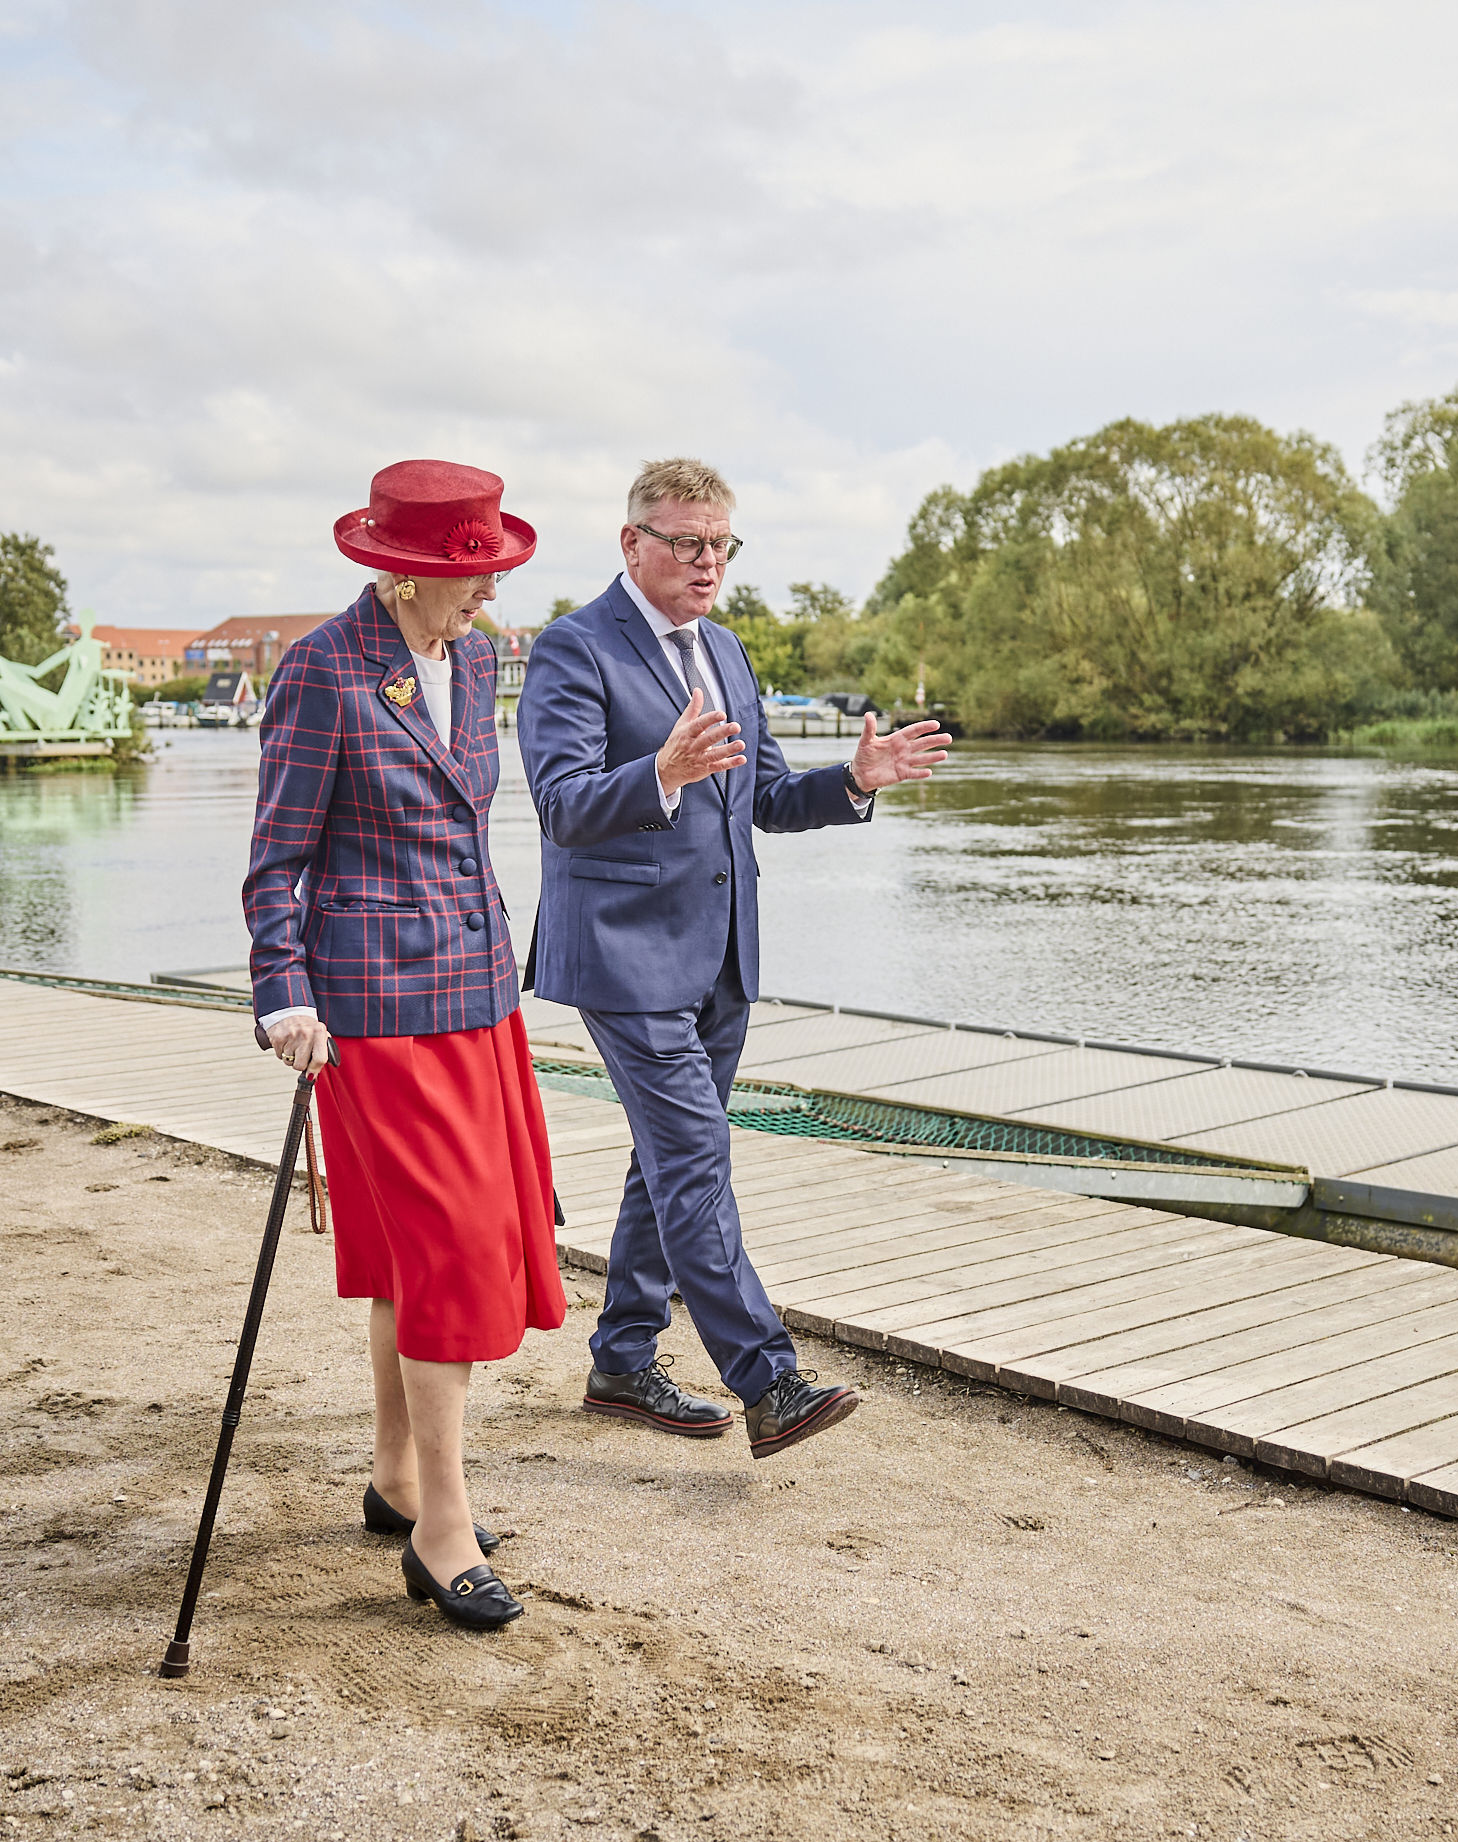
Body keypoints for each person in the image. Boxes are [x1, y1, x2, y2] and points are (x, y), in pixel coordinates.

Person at [515, 457, 949, 1459]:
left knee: (664, 1166)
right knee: (695, 1160)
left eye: (721, 544)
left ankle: (624, 1362)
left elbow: (763, 799)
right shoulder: (574, 651)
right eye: (687, 542)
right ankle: (768, 1379)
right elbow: (562, 806)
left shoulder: (725, 649)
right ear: (634, 544)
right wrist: (658, 770)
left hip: (720, 958)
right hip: (621, 954)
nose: (708, 561)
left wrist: (850, 780)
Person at [243, 458, 564, 1632]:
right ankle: (442, 1528)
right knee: (449, 1252)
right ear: (400, 570)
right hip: (369, 1009)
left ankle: (395, 1476)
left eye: (489, 570)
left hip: (478, 992)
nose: (485, 593)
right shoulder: (322, 673)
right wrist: (281, 991)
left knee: (404, 1249)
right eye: (465, 574)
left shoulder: (474, 658)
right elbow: (277, 860)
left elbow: (464, 826)